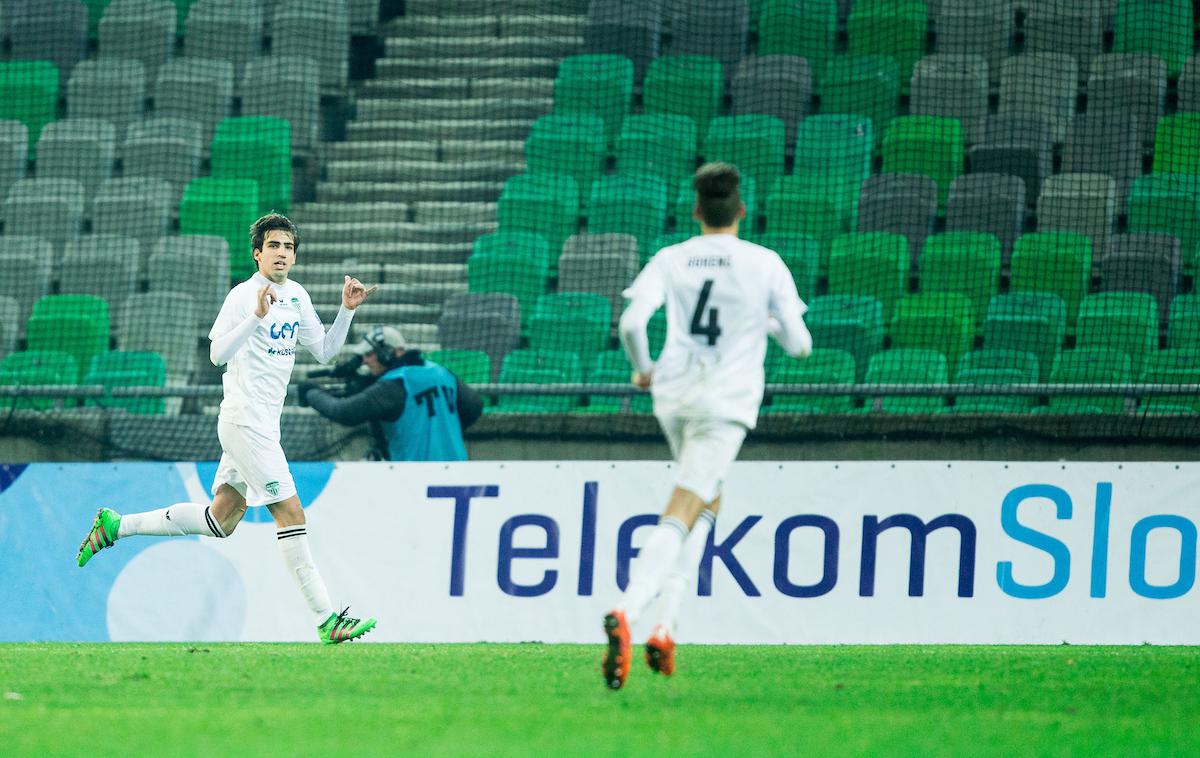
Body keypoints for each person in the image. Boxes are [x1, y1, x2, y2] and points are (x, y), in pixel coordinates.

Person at [76, 213, 380, 645]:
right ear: (257, 254)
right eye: (274, 246)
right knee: (291, 514)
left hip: (264, 427)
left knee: (220, 520)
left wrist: (346, 312)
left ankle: (114, 525)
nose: (282, 253)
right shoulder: (243, 296)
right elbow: (217, 354)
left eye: (289, 247)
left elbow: (327, 351)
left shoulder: (297, 296)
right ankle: (327, 619)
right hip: (243, 421)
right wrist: (255, 317)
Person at [601, 163, 813, 689]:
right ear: (741, 210)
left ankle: (666, 630)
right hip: (725, 401)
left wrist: (644, 370)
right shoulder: (764, 263)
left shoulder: (671, 258)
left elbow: (630, 323)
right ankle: (628, 609)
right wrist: (767, 324)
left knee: (706, 504)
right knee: (685, 504)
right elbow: (801, 346)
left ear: (696, 211)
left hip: (673, 396)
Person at [297, 325, 483, 461]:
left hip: (413, 475)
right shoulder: (440, 371)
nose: (365, 361)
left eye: (370, 354)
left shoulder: (393, 385)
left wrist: (311, 393)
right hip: (458, 469)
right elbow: (475, 406)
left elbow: (344, 412)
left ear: (390, 353)